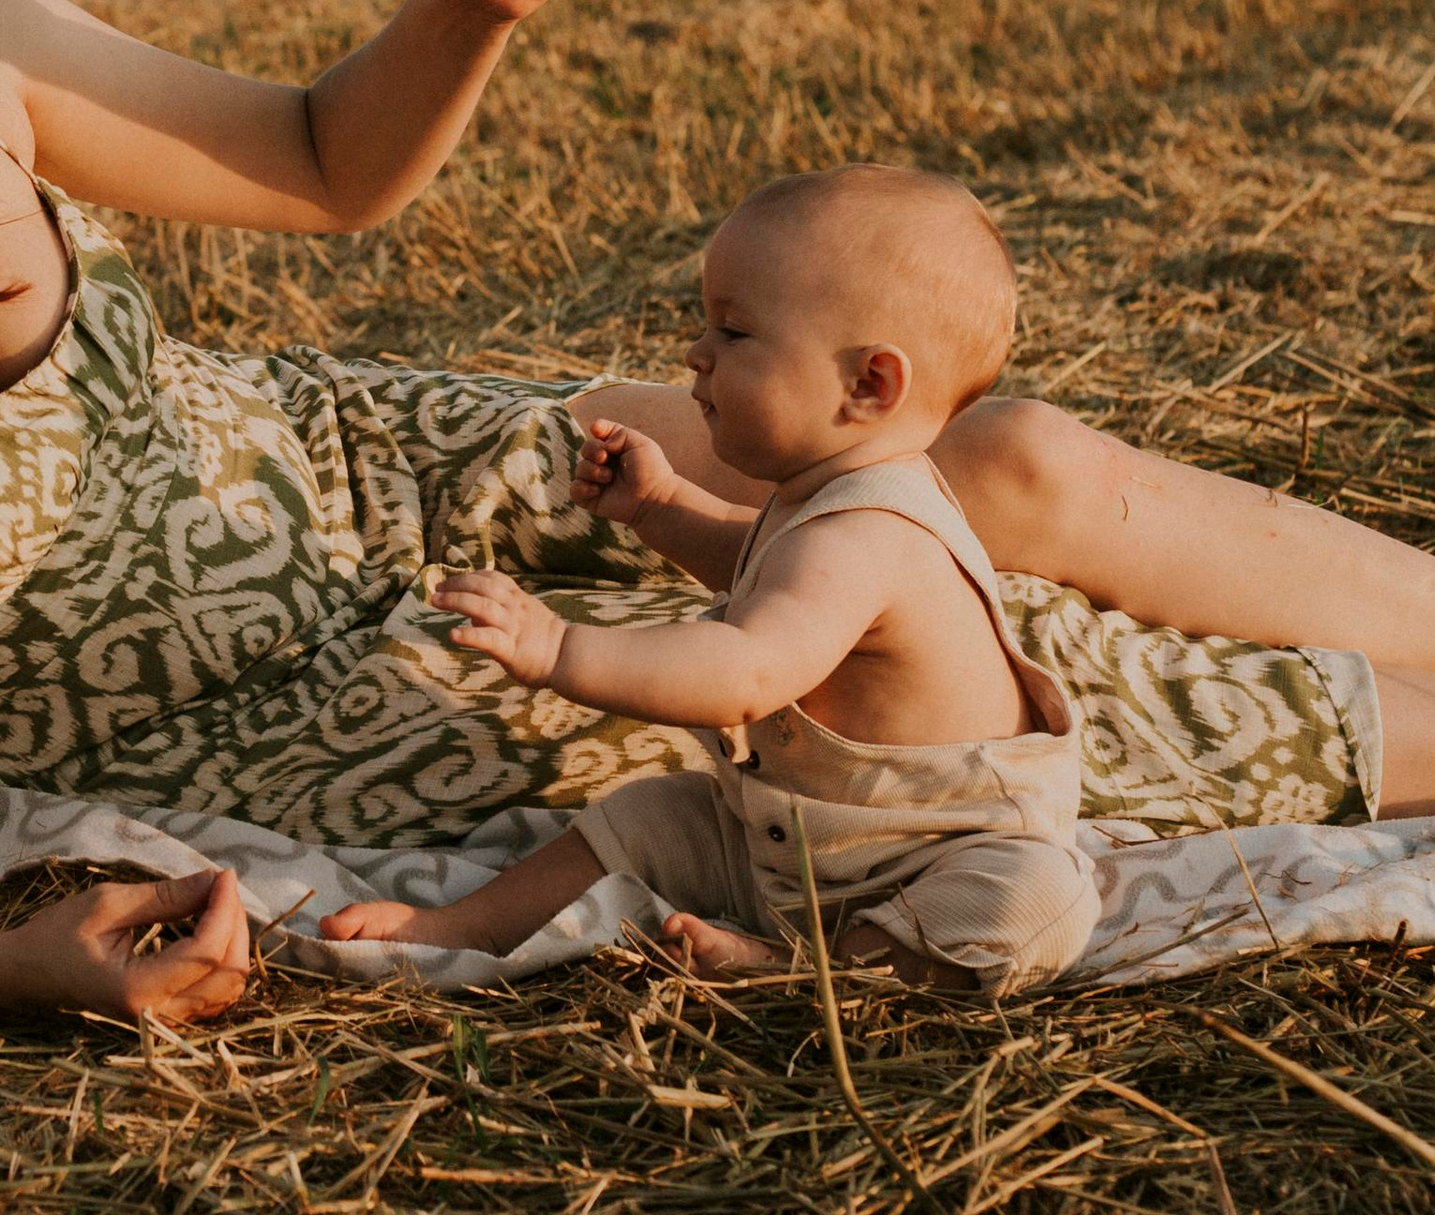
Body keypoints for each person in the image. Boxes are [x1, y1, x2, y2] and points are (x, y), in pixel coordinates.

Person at [0, 0, 1435, 1030]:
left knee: (967, 479)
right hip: (278, 714)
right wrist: (19, 968)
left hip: (365, 467)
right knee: (947, 721)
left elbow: (318, 160)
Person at [319, 167, 1098, 993]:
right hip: (796, 840)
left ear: (868, 385)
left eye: (734, 333)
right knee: (649, 818)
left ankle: (805, 970)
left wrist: (562, 650)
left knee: (1028, 906)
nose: (695, 354)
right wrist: (662, 508)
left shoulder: (873, 536)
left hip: (934, 857)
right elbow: (763, 573)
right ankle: (455, 931)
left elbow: (746, 670)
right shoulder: (826, 502)